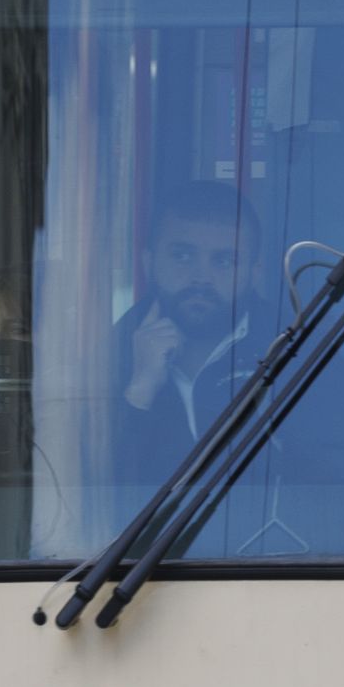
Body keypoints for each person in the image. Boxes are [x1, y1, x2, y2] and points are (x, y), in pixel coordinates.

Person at [112, 182, 257, 482]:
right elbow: (92, 487)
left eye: (224, 260)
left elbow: (332, 477)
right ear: (149, 262)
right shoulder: (106, 353)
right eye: (182, 256)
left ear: (254, 272)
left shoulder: (297, 349)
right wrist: (141, 388)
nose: (201, 277)